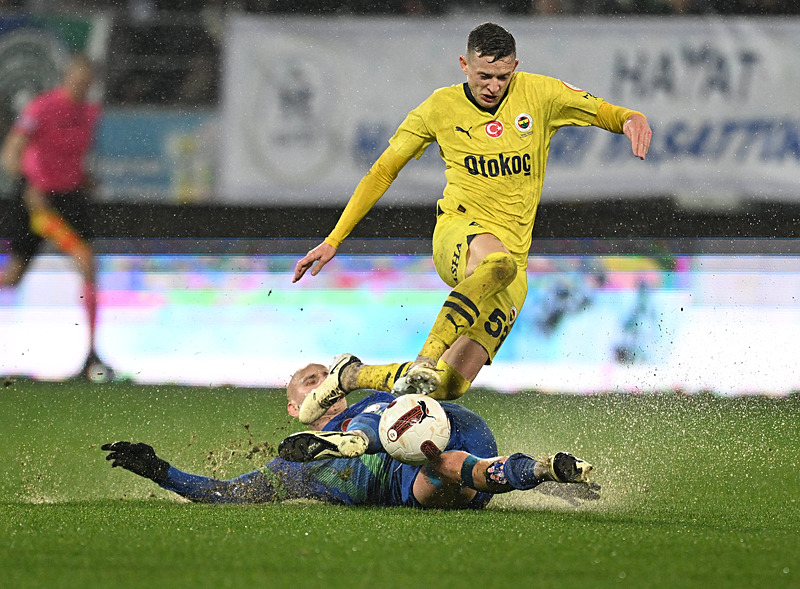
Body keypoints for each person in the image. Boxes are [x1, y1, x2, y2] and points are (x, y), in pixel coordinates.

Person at [292, 22, 652, 425]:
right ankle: (427, 354)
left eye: (502, 77)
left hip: (513, 266)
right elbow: (382, 172)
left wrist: (631, 118)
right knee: (496, 265)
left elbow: (608, 112)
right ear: (464, 65)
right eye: (483, 75)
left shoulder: (541, 94)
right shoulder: (439, 108)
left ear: (515, 67)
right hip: (459, 233)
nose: (493, 86)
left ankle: (351, 374)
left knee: (446, 386)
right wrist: (334, 239)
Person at [102, 362, 597, 508]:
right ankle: (537, 471)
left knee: (416, 444)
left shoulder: (369, 401)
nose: (324, 385)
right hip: (430, 480)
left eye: (327, 377)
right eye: (311, 381)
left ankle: (521, 472)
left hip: (455, 427)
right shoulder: (293, 470)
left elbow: (424, 382)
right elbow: (228, 493)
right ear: (296, 408)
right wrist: (159, 471)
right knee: (438, 476)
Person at [0, 53, 112, 381]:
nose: (81, 87)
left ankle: (91, 353)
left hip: (69, 198)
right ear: (66, 78)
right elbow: (11, 152)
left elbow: (66, 156)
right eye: (77, 80)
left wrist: (84, 176)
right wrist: (29, 184)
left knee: (85, 264)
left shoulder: (89, 114)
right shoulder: (41, 108)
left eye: (87, 82)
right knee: (16, 275)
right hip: (38, 202)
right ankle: (92, 356)